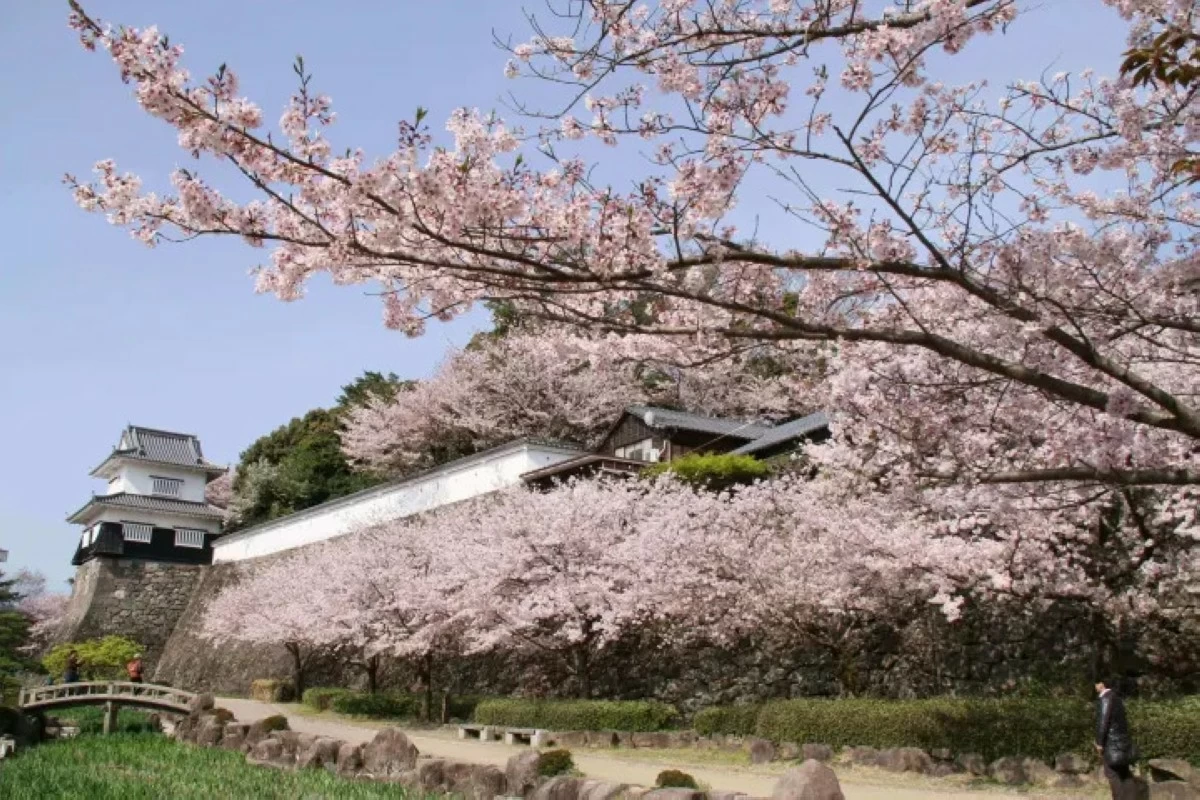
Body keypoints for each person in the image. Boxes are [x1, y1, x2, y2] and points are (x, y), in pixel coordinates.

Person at [1095, 676, 1138, 800]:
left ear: (1101, 684)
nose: (1095, 687)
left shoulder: (1105, 699)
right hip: (1123, 742)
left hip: (1112, 743)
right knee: (1125, 773)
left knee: (1112, 773)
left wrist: (1099, 743)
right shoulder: (1118, 698)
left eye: (1096, 684)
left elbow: (1103, 722)